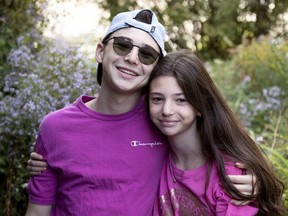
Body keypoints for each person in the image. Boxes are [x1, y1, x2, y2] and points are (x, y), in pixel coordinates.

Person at [26, 9, 257, 216]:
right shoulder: (55, 128)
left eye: (146, 54)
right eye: (122, 45)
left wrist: (253, 178)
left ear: (155, 69)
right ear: (100, 51)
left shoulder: (162, 121)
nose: (132, 58)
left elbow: (215, 139)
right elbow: (37, 211)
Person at [145, 50, 285, 215]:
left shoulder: (231, 177)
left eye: (180, 100)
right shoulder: (154, 155)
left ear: (199, 104)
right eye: (157, 99)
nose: (166, 110)